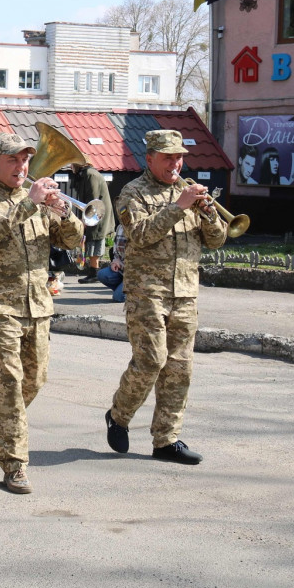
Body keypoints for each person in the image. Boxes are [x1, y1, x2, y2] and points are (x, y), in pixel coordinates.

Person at [0, 132, 84, 494]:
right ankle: (14, 464)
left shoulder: (39, 201)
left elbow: (72, 240)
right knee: (9, 386)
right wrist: (29, 204)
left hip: (38, 307)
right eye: (12, 160)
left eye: (25, 159)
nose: (21, 167)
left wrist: (63, 213)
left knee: (35, 380)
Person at [104, 129, 228, 466]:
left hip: (184, 293)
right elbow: (140, 234)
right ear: (150, 159)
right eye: (168, 158)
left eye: (179, 158)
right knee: (151, 360)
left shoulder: (188, 192)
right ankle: (118, 415)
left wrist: (209, 214)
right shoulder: (133, 192)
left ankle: (166, 440)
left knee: (179, 368)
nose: (175, 164)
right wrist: (178, 207)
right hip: (147, 293)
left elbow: (216, 240)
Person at [69, 161, 115, 282]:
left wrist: (85, 219)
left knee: (94, 239)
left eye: (72, 164)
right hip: (95, 213)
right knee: (91, 240)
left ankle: (94, 273)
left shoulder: (90, 174)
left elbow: (92, 199)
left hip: (97, 214)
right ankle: (93, 272)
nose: (70, 167)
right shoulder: (86, 174)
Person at [95, 223, 127, 303]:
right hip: (123, 269)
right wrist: (115, 261)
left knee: (118, 297)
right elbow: (115, 248)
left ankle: (132, 291)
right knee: (102, 274)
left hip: (135, 273)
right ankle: (125, 289)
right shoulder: (120, 227)